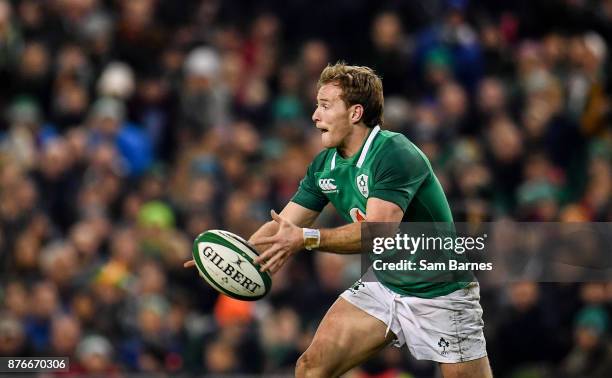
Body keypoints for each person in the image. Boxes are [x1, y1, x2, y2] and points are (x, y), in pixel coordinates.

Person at [185, 62, 491, 377]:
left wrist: (307, 239)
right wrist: (229, 256)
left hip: (441, 292)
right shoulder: (324, 165)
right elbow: (283, 226)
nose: (315, 115)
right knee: (310, 368)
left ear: (355, 113)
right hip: (385, 283)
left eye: (325, 106)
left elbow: (377, 234)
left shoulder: (394, 152)